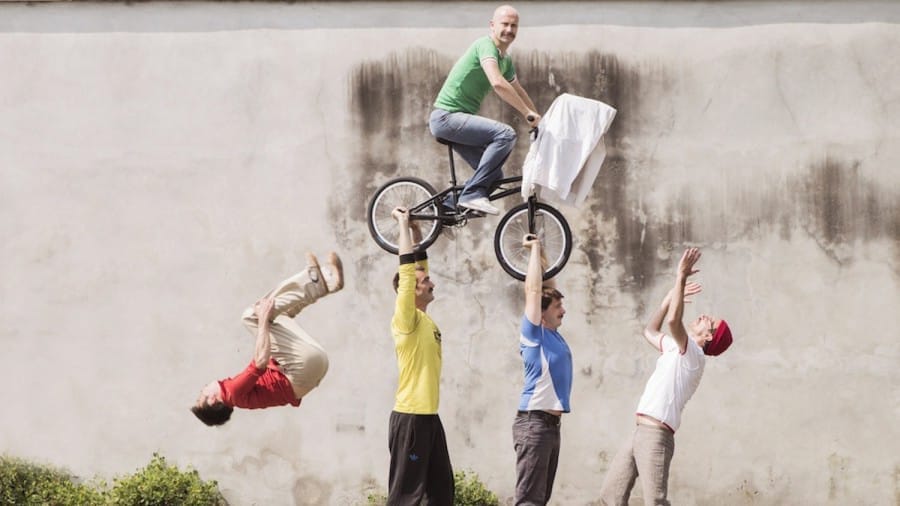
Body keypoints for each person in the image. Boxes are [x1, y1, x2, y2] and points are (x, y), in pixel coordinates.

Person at [598, 248, 734, 506]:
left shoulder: (694, 355)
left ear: (708, 338)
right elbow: (650, 330)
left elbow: (673, 321)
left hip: (656, 436)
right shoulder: (676, 347)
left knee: (655, 502)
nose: (705, 316)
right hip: (639, 432)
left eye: (710, 323)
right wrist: (668, 299)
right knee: (610, 497)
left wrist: (680, 278)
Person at [191, 252, 343, 426]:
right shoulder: (232, 392)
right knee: (251, 317)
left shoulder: (239, 396)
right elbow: (260, 362)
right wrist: (262, 319)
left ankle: (326, 283)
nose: (203, 389)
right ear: (211, 400)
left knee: (275, 316)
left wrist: (266, 320)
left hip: (311, 368)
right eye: (201, 395)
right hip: (303, 368)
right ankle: (316, 284)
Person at [429, 4, 542, 216]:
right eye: (505, 24)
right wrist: (527, 115)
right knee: (505, 134)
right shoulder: (485, 45)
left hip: (457, 121)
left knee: (494, 176)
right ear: (492, 25)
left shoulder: (506, 60)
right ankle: (471, 195)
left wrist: (538, 119)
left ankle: (442, 211)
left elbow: (519, 91)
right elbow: (498, 83)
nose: (509, 30)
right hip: (446, 117)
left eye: (514, 26)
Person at [387, 207, 454, 505]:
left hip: (429, 419)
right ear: (411, 290)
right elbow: (408, 270)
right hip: (411, 419)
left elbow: (418, 264)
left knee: (441, 493)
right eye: (426, 281)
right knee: (406, 497)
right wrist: (402, 224)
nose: (432, 283)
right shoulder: (406, 320)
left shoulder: (426, 319)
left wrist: (416, 231)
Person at [513, 234, 573, 506]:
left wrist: (538, 252)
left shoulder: (554, 335)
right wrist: (534, 249)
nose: (563, 310)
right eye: (558, 307)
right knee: (529, 501)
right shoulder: (533, 334)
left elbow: (546, 286)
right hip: (534, 423)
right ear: (544, 312)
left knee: (540, 499)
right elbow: (535, 292)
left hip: (550, 426)